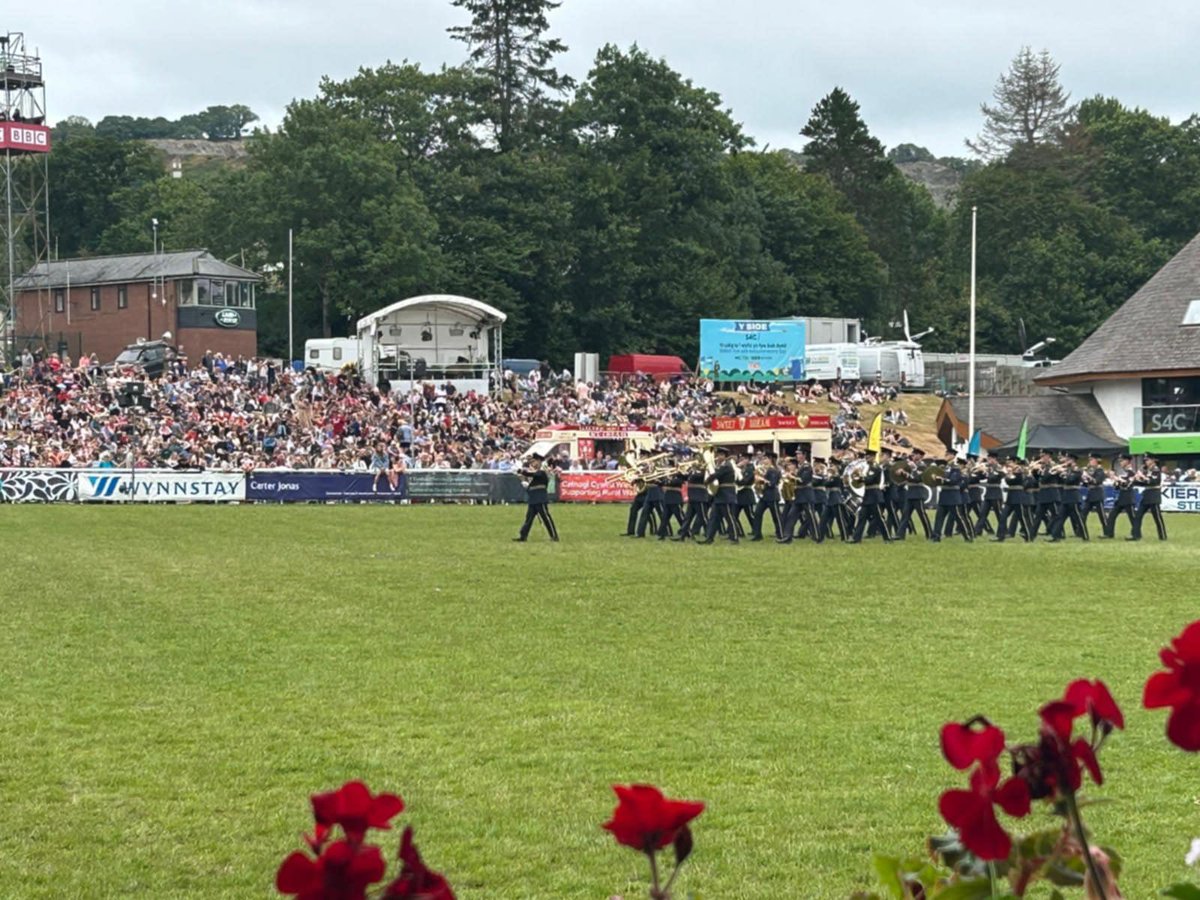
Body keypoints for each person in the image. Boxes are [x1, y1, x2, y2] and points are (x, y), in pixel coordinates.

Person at [514, 454, 558, 542]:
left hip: (540, 498)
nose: (532, 464)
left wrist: (520, 470)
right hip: (533, 498)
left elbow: (531, 474)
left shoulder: (542, 471)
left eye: (534, 461)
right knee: (529, 518)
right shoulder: (536, 472)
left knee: (546, 517)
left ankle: (554, 535)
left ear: (539, 461)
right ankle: (523, 536)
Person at [848, 453, 891, 543]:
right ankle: (856, 538)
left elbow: (869, 480)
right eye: (866, 456)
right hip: (867, 496)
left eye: (869, 456)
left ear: (873, 457)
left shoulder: (876, 468)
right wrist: (856, 476)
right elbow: (860, 483)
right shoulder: (867, 469)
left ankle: (887, 537)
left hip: (875, 496)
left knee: (879, 518)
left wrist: (860, 475)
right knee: (861, 517)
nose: (867, 458)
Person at [699, 447, 739, 544]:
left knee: (729, 517)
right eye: (718, 455)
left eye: (721, 455)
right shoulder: (719, 465)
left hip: (726, 495)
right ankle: (709, 538)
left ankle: (735, 537)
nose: (718, 457)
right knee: (714, 517)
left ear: (725, 456)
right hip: (719, 495)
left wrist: (706, 481)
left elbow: (716, 475)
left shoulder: (727, 465)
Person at [931, 453, 973, 542]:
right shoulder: (942, 468)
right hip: (944, 495)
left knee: (959, 517)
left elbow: (953, 480)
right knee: (939, 517)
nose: (946, 456)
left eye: (948, 455)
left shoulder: (956, 468)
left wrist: (940, 479)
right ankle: (936, 536)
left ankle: (967, 536)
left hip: (953, 496)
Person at [1048, 455, 1087, 542]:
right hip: (1066, 496)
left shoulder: (1077, 470)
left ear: (1072, 460)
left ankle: (1085, 535)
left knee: (1078, 517)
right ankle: (1056, 536)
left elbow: (1071, 479)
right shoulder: (1068, 470)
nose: (1065, 461)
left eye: (1068, 460)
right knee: (1060, 517)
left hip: (1074, 496)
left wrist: (1063, 472)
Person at [1130, 453, 1167, 541]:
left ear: (1152, 460)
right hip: (1146, 495)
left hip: (1154, 495)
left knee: (1157, 518)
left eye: (1147, 460)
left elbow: (1153, 481)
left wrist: (1143, 477)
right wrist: (1135, 481)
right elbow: (1145, 483)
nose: (1146, 462)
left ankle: (1163, 536)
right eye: (1145, 460)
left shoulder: (1156, 470)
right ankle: (1136, 535)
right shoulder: (1147, 470)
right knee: (1138, 515)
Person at [897, 450, 932, 540]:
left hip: (918, 493)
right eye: (913, 454)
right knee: (905, 515)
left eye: (916, 454)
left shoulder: (922, 466)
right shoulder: (911, 466)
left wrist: (911, 469)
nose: (914, 456)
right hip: (910, 493)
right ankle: (900, 535)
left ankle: (929, 533)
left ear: (921, 456)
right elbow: (906, 478)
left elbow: (916, 479)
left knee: (922, 515)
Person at [749, 451, 782, 541]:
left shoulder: (774, 470)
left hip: (772, 496)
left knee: (776, 516)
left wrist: (761, 479)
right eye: (763, 458)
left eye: (765, 458)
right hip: (764, 496)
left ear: (770, 459)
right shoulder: (764, 469)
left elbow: (772, 483)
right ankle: (757, 534)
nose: (763, 461)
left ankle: (781, 534)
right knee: (757, 514)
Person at [1102, 455, 1137, 539]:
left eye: (1122, 461)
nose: (1120, 463)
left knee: (1132, 517)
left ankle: (1136, 534)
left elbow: (1127, 484)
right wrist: (1115, 480)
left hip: (1128, 496)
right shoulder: (1124, 472)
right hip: (1121, 496)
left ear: (1128, 461)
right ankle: (1109, 533)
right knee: (1112, 515)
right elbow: (1117, 486)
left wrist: (1115, 477)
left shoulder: (1131, 472)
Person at [1080, 453, 1109, 536]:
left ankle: (1107, 532)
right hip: (1090, 494)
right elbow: (1087, 483)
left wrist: (1087, 476)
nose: (1090, 462)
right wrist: (1084, 478)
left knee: (1102, 515)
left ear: (1097, 460)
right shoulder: (1092, 470)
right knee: (1083, 513)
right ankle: (1080, 531)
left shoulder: (1100, 470)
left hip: (1098, 494)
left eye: (1091, 459)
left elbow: (1096, 481)